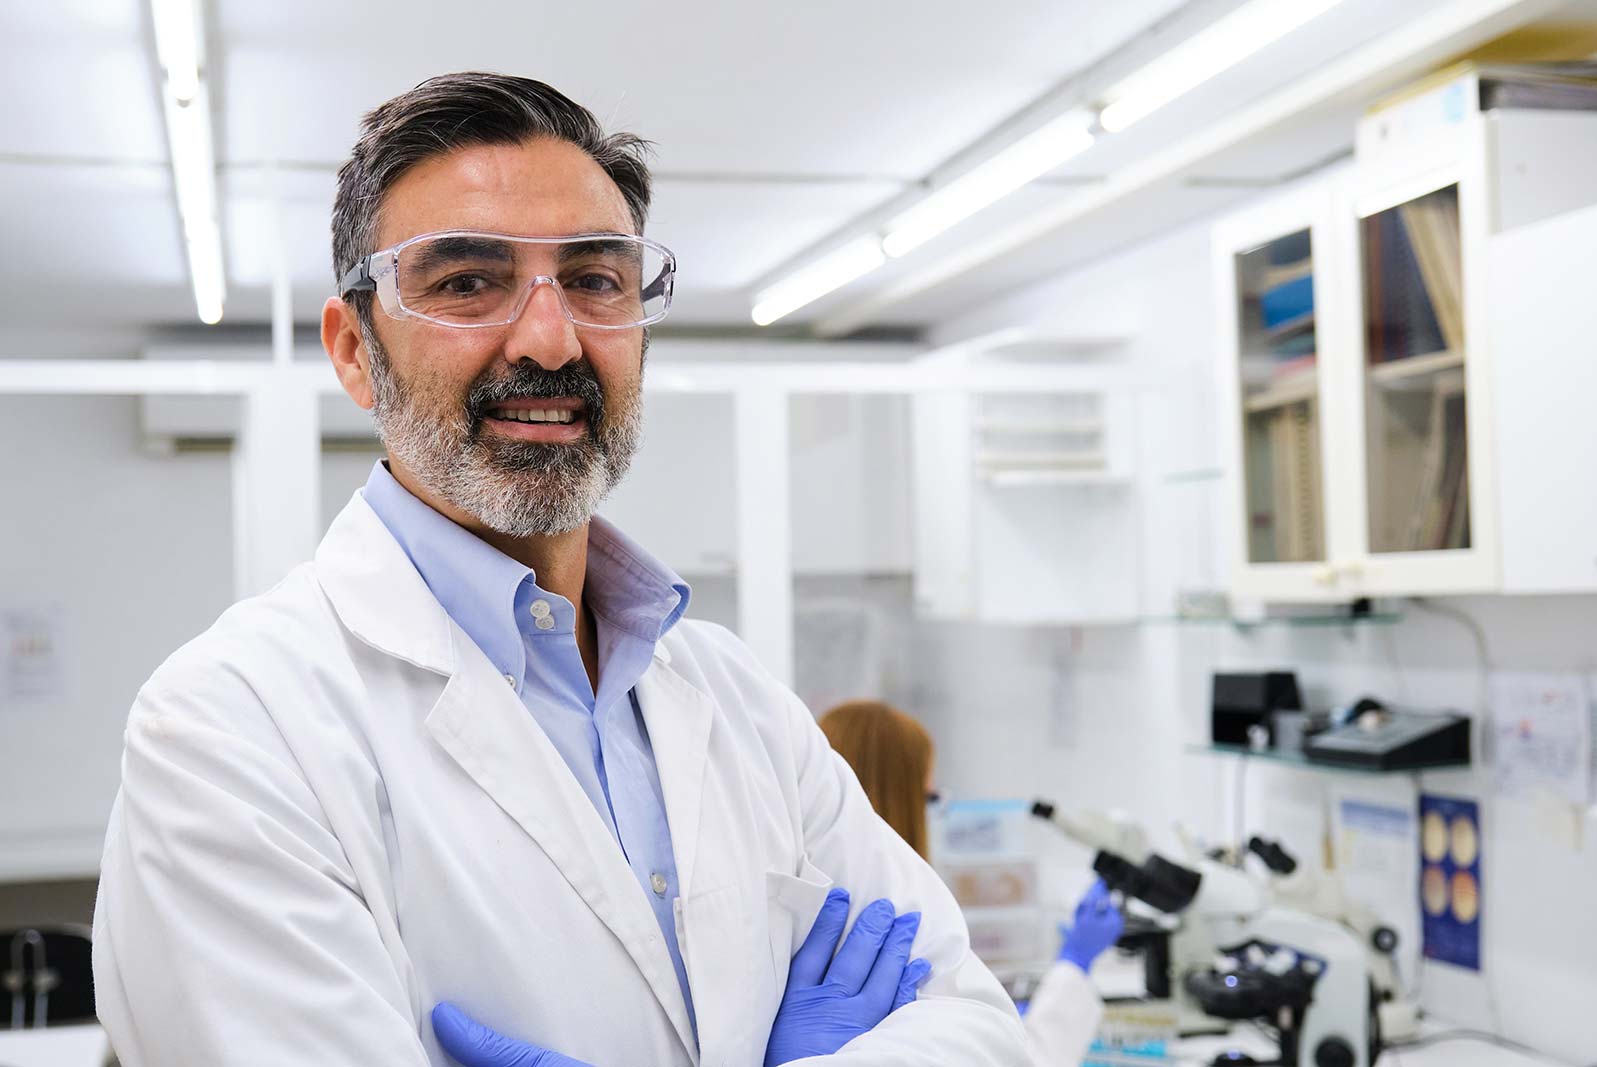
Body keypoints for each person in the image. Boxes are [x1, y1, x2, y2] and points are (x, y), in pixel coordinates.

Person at [90, 74, 1029, 1067]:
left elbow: (978, 1027)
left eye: (595, 279)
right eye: (466, 281)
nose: (550, 339)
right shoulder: (230, 727)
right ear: (355, 351)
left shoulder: (737, 700)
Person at [818, 700, 1124, 1064]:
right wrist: (1074, 964)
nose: (934, 815)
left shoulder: (825, 901)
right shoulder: (894, 924)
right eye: (929, 797)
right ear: (897, 800)